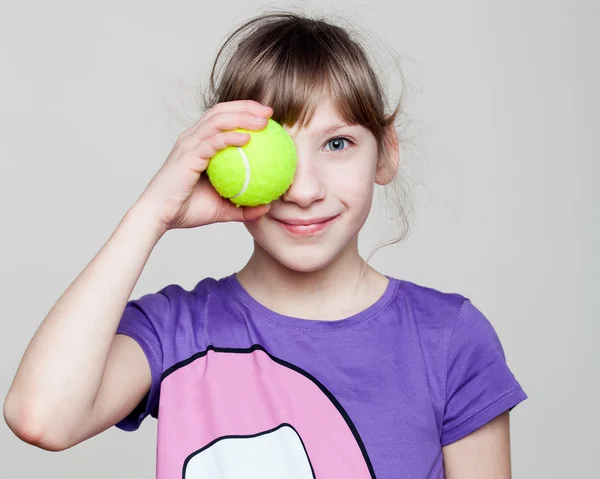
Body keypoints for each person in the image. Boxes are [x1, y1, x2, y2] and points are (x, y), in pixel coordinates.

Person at [4, 10, 527, 478]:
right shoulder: (177, 331)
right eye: (275, 149)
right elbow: (41, 418)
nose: (304, 190)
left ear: (385, 153)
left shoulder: (449, 337)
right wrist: (152, 214)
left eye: (337, 143)